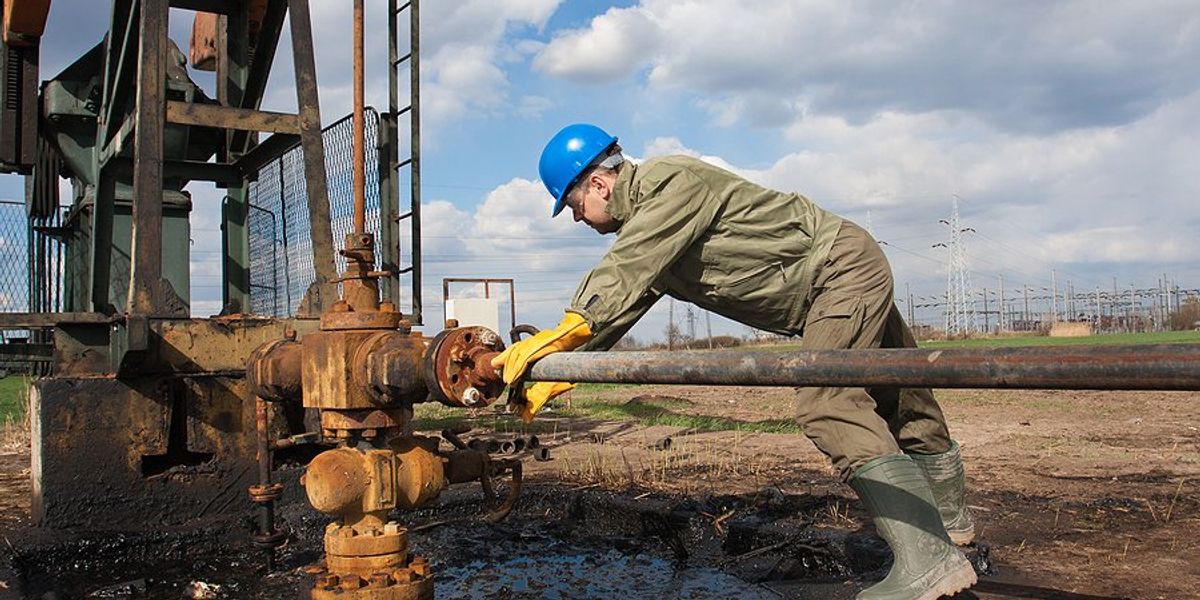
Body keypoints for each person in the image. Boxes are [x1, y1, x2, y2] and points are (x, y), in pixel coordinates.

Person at [491, 123, 977, 600]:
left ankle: (928, 562)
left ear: (598, 183)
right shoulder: (655, 227)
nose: (578, 219)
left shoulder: (669, 183)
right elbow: (624, 301)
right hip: (839, 272)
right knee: (901, 391)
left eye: (574, 206)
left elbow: (625, 268)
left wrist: (568, 327)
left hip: (837, 270)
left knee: (827, 401)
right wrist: (557, 368)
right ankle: (950, 525)